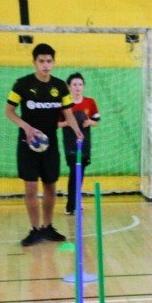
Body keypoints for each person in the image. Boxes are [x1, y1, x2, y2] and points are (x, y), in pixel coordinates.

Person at [5, 43, 83, 246]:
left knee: (50, 186)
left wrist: (76, 130)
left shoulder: (60, 86)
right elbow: (9, 112)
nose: (46, 65)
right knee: (31, 187)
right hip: (27, 144)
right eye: (41, 61)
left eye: (49, 61)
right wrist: (26, 127)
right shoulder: (21, 84)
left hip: (50, 146)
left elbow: (68, 114)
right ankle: (34, 229)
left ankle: (48, 227)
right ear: (34, 62)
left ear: (53, 63)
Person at [58, 72, 100, 215]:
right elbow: (58, 124)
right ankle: (72, 203)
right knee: (74, 171)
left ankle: (74, 200)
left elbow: (96, 122)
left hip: (84, 142)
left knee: (80, 172)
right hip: (70, 142)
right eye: (74, 84)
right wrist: (70, 122)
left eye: (80, 84)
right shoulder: (64, 103)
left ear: (83, 87)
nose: (77, 87)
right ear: (69, 87)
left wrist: (89, 122)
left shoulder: (90, 102)